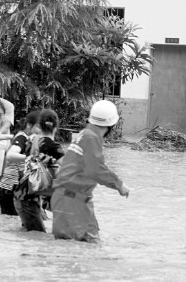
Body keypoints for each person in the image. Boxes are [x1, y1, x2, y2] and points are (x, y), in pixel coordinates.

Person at [51, 100, 130, 243]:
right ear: (112, 124)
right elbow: (95, 170)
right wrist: (118, 184)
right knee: (69, 252)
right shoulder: (90, 137)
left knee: (93, 248)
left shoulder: (86, 134)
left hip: (77, 200)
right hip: (71, 201)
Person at [14, 109, 65, 232]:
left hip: (22, 196)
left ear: (39, 125)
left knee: (31, 235)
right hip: (28, 199)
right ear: (56, 127)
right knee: (37, 236)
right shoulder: (52, 146)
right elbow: (70, 167)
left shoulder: (32, 140)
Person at [0, 111, 39, 215]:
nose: (41, 130)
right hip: (11, 188)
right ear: (29, 125)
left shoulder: (31, 139)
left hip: (14, 187)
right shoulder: (22, 138)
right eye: (39, 126)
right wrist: (30, 158)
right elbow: (10, 155)